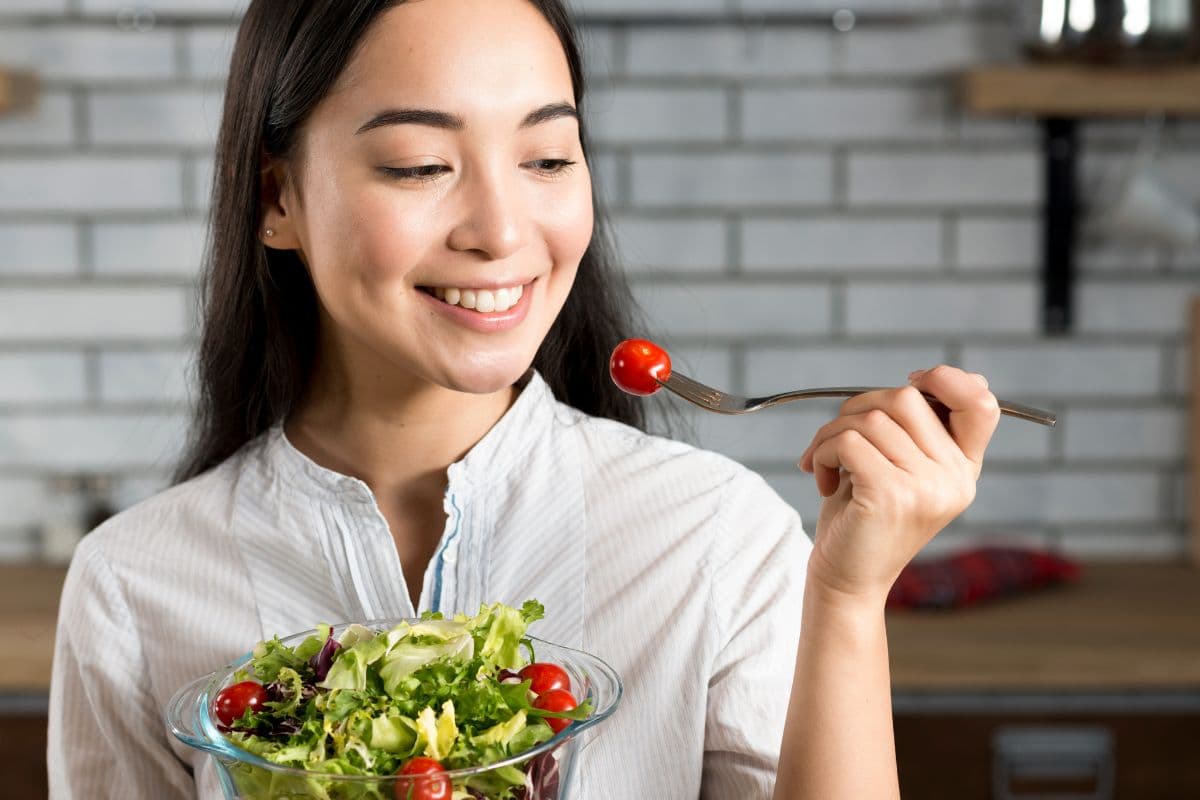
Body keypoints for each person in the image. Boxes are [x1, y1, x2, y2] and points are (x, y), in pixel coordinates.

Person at [46, 0, 1001, 797]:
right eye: (420, 164)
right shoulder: (133, 585)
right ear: (276, 199)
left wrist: (847, 595)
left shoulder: (715, 534)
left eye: (548, 159)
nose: (502, 232)